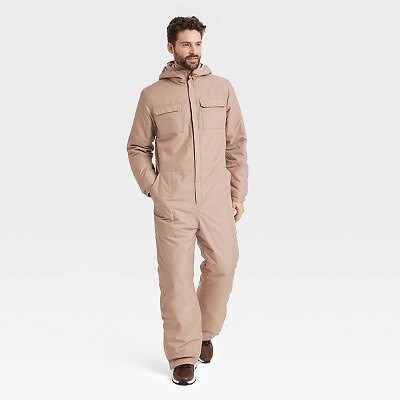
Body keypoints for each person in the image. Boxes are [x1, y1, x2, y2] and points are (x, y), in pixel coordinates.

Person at [126, 15, 248, 385]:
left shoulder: (222, 89)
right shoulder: (152, 95)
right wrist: (154, 187)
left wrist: (237, 193)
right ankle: (183, 355)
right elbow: (137, 147)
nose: (193, 51)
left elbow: (236, 144)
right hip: (173, 202)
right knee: (176, 280)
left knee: (224, 264)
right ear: (171, 48)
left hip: (215, 198)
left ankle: (204, 333)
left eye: (197, 44)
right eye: (185, 44)